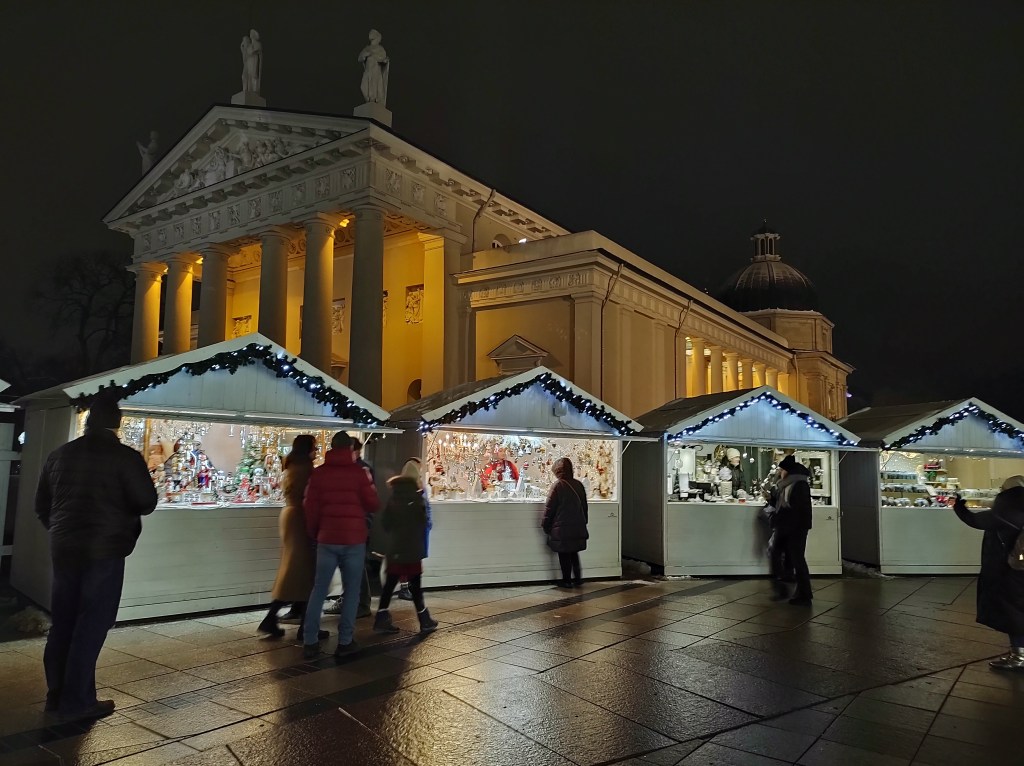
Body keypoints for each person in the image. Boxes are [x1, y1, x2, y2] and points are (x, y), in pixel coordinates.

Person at [35, 393, 158, 720]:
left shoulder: (59, 455)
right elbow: (146, 501)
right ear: (116, 423)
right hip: (105, 550)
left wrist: (61, 531)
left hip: (64, 548)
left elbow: (41, 506)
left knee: (63, 621)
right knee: (92, 622)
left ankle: (56, 695)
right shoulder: (125, 458)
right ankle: (78, 701)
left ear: (88, 421)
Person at [301, 431, 379, 659]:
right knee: (352, 590)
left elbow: (310, 508)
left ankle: (310, 641)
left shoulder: (319, 474)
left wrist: (315, 533)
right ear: (350, 449)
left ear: (331, 448)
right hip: (353, 541)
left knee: (319, 589)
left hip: (327, 540)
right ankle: (345, 641)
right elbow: (373, 504)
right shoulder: (360, 474)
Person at [258, 436, 327, 643]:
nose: (316, 452)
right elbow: (314, 499)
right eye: (315, 448)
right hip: (301, 519)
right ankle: (304, 626)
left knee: (293, 569)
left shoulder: (291, 466)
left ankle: (274, 619)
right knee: (305, 571)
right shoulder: (307, 470)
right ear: (308, 450)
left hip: (290, 517)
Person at [953, 476, 1024, 670]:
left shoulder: (1006, 510)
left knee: (1014, 612)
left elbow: (975, 520)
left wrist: (959, 506)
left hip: (1010, 570)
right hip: (1020, 567)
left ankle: (1019, 656)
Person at [373, 459, 438, 635]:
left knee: (389, 585)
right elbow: (424, 523)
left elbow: (385, 524)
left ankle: (381, 616)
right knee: (415, 586)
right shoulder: (417, 499)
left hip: (395, 550)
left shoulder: (393, 499)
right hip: (412, 550)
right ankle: (425, 620)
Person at [324, 437, 377, 617]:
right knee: (354, 566)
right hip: (357, 525)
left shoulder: (360, 470)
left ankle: (360, 604)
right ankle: (354, 603)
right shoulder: (361, 469)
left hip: (355, 526)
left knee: (356, 567)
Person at [771, 455, 813, 605]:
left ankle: (804, 594)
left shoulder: (799, 485)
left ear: (787, 471)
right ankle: (789, 584)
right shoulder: (788, 485)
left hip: (795, 528)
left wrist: (789, 525)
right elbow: (783, 505)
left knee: (797, 559)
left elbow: (799, 509)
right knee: (780, 553)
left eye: (781, 470)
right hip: (787, 526)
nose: (779, 473)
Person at [542, 457, 589, 588]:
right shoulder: (578, 485)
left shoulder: (558, 485)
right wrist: (583, 522)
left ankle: (566, 580)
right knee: (574, 553)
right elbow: (584, 507)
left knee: (564, 555)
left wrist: (546, 525)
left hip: (562, 528)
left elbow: (550, 508)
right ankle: (578, 579)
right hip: (577, 526)